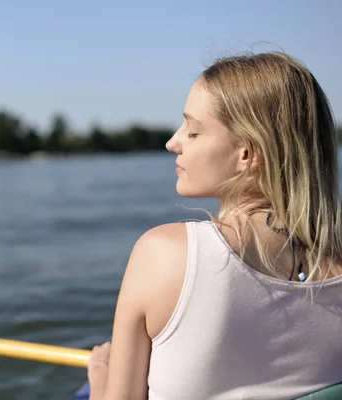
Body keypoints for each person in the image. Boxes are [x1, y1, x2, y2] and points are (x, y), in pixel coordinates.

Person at [86, 51, 342, 399]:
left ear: (247, 154)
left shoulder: (165, 255)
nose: (172, 142)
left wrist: (102, 384)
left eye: (192, 131)